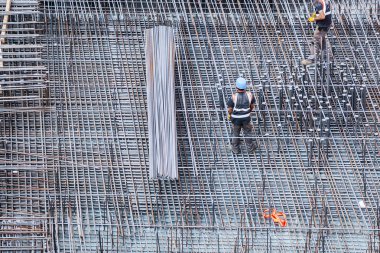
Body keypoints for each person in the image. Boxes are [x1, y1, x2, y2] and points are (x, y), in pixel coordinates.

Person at [227, 77, 258, 154]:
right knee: (247, 132)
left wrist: (230, 115)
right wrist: (248, 112)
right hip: (246, 118)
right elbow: (252, 106)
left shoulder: (233, 96)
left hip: (236, 119)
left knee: (236, 132)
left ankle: (235, 149)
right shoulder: (250, 95)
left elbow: (230, 109)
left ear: (237, 87)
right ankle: (250, 148)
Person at [301, 0, 332, 65]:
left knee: (316, 40)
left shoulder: (318, 4)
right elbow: (323, 11)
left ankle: (314, 58)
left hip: (322, 26)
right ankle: (328, 55)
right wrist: (315, 14)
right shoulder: (323, 2)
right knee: (322, 39)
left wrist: (314, 19)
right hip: (326, 24)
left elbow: (322, 16)